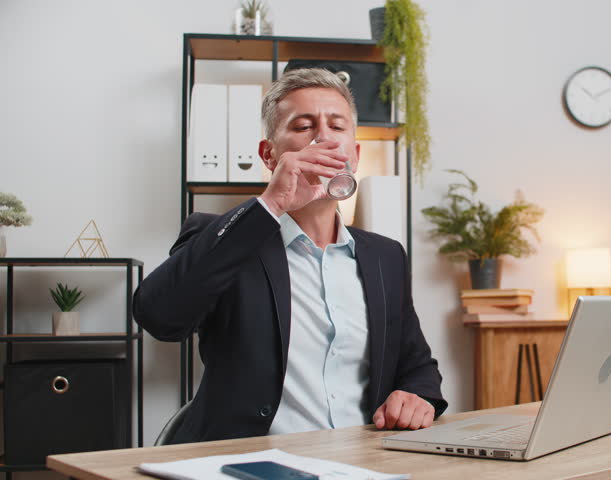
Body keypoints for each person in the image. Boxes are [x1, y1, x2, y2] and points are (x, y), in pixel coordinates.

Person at [133, 68, 446, 444]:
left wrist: (416, 396)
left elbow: (418, 367)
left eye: (337, 126)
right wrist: (271, 204)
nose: (324, 138)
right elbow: (159, 316)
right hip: (251, 463)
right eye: (303, 126)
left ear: (355, 154)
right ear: (269, 154)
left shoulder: (385, 256)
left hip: (363, 461)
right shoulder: (222, 238)